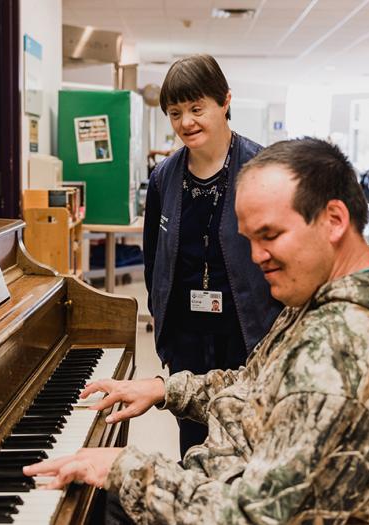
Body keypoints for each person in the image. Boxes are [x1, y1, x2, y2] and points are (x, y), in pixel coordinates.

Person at [24, 138, 369, 524]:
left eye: (270, 235)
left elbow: (253, 518)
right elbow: (258, 386)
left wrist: (126, 468)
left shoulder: (343, 355)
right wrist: (166, 389)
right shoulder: (336, 290)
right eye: (249, 238)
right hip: (226, 479)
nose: (256, 257)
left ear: (334, 219)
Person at [142, 54, 282, 456]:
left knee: (247, 446)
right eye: (175, 112)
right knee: (194, 449)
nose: (186, 122)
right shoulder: (163, 178)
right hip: (186, 339)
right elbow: (156, 261)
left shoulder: (263, 169)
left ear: (225, 102)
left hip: (247, 334)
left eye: (197, 108)